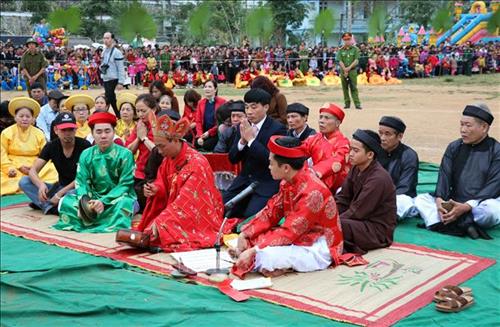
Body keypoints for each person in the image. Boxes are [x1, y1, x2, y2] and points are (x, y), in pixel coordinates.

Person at [231, 136, 344, 279]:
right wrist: (245, 233)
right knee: (252, 238)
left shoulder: (313, 193)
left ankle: (259, 259)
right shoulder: (288, 181)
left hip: (319, 245)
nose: (269, 167)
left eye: (271, 163)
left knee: (266, 256)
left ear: (285, 167)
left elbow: (289, 232)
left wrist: (254, 249)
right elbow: (271, 212)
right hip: (300, 236)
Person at [124, 114, 225, 252]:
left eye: (161, 146)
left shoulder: (197, 163)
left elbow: (187, 200)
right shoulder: (169, 159)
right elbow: (162, 183)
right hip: (176, 207)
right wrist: (155, 189)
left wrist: (163, 220)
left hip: (197, 212)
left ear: (175, 140)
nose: (159, 151)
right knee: (159, 225)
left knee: (164, 227)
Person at [415, 104, 499, 239]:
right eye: (461, 124)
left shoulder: (496, 150)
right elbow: (444, 175)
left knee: (492, 210)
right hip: (454, 201)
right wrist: (440, 199)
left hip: (479, 204)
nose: (463, 130)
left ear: (484, 127)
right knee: (421, 199)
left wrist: (467, 206)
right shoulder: (454, 146)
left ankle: (452, 221)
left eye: (468, 125)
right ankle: (460, 223)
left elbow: (495, 185)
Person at [54, 112, 137, 233]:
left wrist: (103, 201)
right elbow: (81, 182)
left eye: (107, 131)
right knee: (65, 201)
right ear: (92, 134)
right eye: (98, 132)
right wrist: (85, 203)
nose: (103, 136)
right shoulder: (86, 154)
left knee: (125, 204)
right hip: (92, 198)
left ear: (114, 132)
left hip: (118, 198)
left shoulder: (125, 154)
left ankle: (89, 219)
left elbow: (125, 185)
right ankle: (92, 215)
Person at [223, 88, 287, 218]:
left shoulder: (278, 128)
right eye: (246, 107)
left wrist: (251, 140)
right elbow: (233, 158)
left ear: (266, 107)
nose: (249, 111)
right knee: (222, 208)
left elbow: (270, 159)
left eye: (254, 107)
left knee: (250, 217)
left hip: (265, 183)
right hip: (244, 181)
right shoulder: (244, 126)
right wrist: (242, 141)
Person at [335, 129, 396, 254]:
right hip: (358, 222)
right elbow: (343, 198)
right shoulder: (356, 168)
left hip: (375, 230)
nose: (350, 154)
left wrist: (331, 223)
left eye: (356, 151)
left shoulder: (378, 179)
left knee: (338, 226)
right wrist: (328, 214)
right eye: (350, 149)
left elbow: (357, 212)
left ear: (370, 155)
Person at [19, 112, 91, 214]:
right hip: (59, 187)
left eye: (70, 129)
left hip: (78, 188)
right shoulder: (51, 146)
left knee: (73, 195)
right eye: (63, 130)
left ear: (75, 129)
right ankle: (55, 207)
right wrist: (40, 185)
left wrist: (59, 194)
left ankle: (48, 206)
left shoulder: (85, 146)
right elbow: (33, 171)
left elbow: (83, 177)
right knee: (24, 181)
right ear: (56, 130)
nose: (67, 133)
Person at [1, 97, 57, 195]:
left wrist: (34, 168)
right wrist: (10, 168)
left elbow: (45, 155)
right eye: (21, 116)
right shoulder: (6, 133)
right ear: (15, 117)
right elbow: (2, 155)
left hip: (36, 165)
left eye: (28, 116)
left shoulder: (39, 133)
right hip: (13, 165)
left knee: (53, 171)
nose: (24, 119)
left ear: (33, 119)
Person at [302, 103, 350, 193]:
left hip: (336, 188)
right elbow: (300, 151)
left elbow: (337, 161)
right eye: (321, 117)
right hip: (314, 181)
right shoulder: (314, 138)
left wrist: (313, 172)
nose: (321, 121)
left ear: (337, 123)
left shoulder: (343, 144)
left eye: (327, 118)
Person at [378, 116, 419, 219]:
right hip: (373, 195)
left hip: (395, 198)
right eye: (380, 133)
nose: (382, 138)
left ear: (400, 136)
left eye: (387, 134)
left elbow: (405, 188)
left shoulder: (409, 155)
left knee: (403, 202)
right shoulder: (374, 151)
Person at [126, 94, 157, 212]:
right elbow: (128, 151)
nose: (140, 114)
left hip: (156, 173)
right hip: (140, 172)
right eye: (138, 111)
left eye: (143, 111)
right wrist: (138, 138)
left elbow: (159, 152)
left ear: (153, 109)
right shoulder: (139, 125)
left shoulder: (159, 125)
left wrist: (144, 138)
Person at [195, 80, 226, 151]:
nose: (207, 89)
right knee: (197, 144)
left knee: (207, 145)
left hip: (215, 132)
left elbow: (221, 122)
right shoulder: (200, 103)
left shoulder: (222, 102)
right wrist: (200, 136)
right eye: (205, 87)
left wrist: (209, 133)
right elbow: (198, 121)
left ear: (215, 89)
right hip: (203, 133)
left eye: (209, 87)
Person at [101, 32, 125, 116]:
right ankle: (114, 115)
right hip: (106, 78)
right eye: (104, 38)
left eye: (107, 38)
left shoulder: (117, 52)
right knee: (109, 98)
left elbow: (121, 68)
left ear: (112, 39)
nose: (105, 40)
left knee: (110, 98)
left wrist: (121, 82)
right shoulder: (104, 51)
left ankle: (118, 115)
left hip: (113, 78)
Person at [337, 32, 362, 109]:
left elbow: (356, 60)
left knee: (353, 87)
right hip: (343, 71)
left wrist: (349, 68)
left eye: (348, 39)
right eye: (345, 40)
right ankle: (347, 103)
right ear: (343, 40)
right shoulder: (340, 50)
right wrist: (344, 69)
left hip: (352, 71)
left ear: (351, 39)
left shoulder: (355, 49)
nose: (347, 41)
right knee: (345, 88)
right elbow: (339, 60)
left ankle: (357, 104)